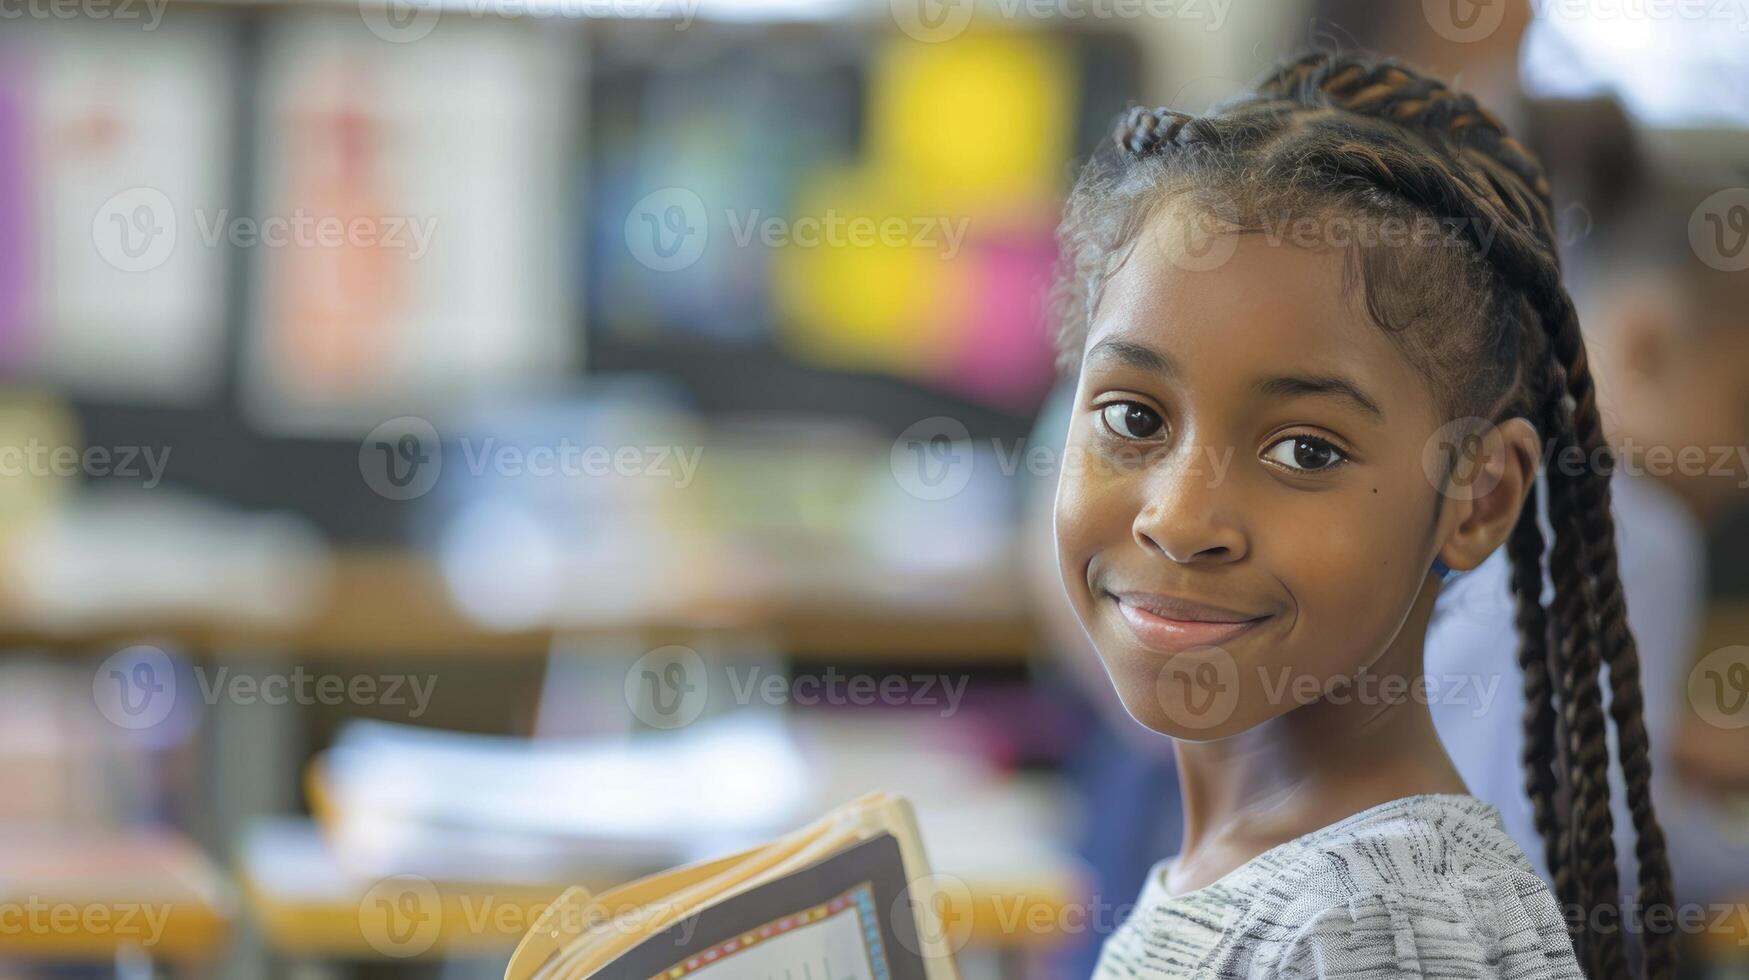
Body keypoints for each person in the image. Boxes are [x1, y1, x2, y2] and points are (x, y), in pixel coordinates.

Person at [1051, 52, 1676, 978]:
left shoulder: (1377, 929)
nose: (1180, 519)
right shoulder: (1277, 882)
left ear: (1479, 498)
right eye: (1133, 418)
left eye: (1305, 450)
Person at [1429, 175, 1749, 916]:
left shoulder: (1490, 473)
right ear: (1642, 344)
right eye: (1742, 404)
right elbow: (1605, 845)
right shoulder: (1637, 530)